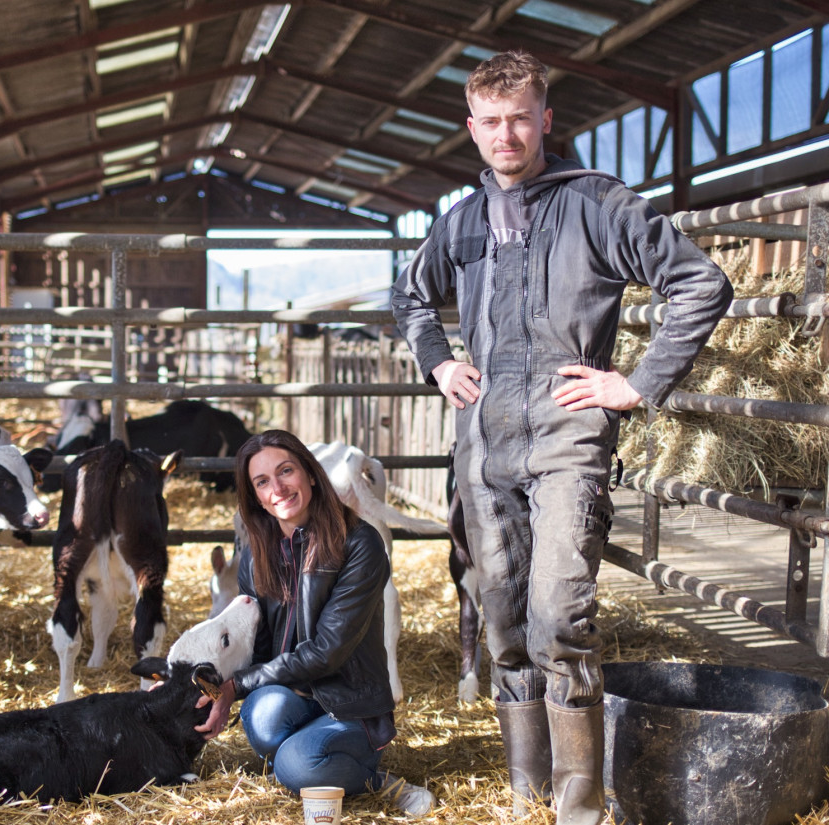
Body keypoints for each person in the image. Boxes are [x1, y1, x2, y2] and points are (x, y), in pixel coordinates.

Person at [391, 51, 732, 824]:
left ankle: (579, 805)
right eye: (491, 121)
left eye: (520, 118)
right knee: (503, 620)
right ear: (470, 128)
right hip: (484, 447)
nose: (506, 134)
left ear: (545, 119)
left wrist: (636, 382)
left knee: (557, 614)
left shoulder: (598, 204)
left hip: (567, 441)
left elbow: (700, 282)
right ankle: (524, 793)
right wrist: (440, 363)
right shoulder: (463, 219)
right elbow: (411, 298)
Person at [196, 429, 436, 817]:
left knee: (295, 766)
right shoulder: (255, 559)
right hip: (294, 693)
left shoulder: (361, 544)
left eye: (286, 471)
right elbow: (255, 648)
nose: (278, 487)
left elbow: (327, 651)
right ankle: (315, 758)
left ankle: (376, 781)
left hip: (350, 701)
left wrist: (235, 686)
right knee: (261, 718)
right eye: (262, 481)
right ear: (254, 495)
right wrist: (213, 688)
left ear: (310, 472)